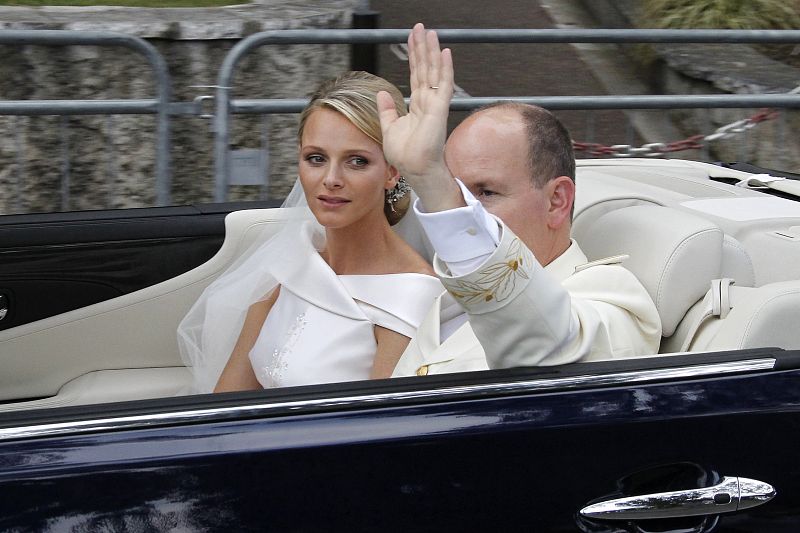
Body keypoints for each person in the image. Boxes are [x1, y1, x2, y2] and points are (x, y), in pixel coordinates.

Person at [377, 24, 662, 376]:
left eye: (486, 192)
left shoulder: (611, 298)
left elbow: (543, 348)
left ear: (557, 201)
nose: (463, 210)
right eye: (458, 191)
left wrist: (433, 182)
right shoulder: (449, 289)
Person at [178, 71, 444, 393]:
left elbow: (380, 430)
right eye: (316, 158)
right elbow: (226, 401)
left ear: (391, 172)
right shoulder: (292, 260)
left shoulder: (411, 296)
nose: (331, 178)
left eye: (357, 161)